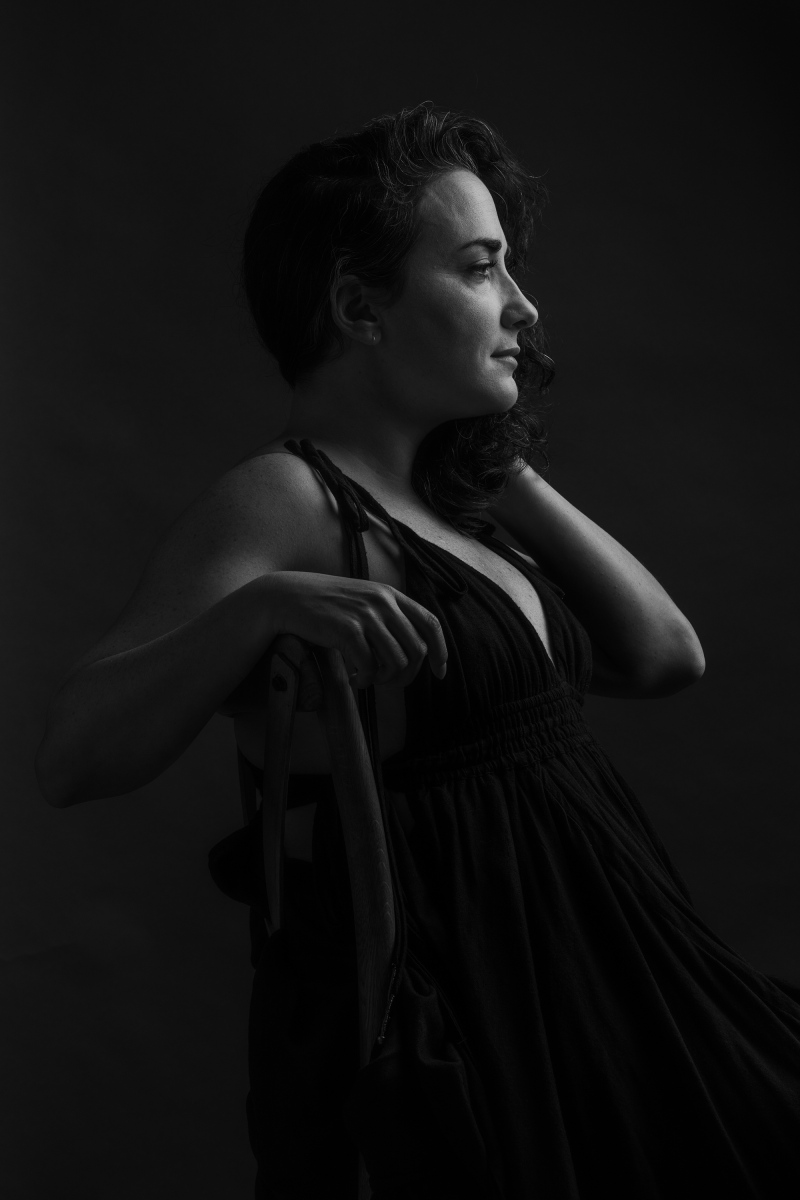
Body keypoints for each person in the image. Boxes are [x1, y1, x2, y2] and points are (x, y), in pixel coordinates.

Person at [36, 102, 800, 1199]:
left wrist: (501, 467)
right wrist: (256, 611)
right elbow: (72, 756)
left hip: (621, 978)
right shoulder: (288, 498)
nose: (523, 306)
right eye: (481, 268)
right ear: (359, 308)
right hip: (492, 1014)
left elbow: (664, 654)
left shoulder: (456, 502)